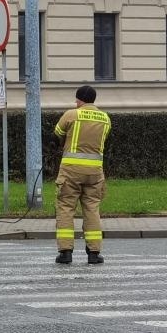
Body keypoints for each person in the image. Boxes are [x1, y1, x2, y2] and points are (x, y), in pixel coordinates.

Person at [54, 84, 112, 265]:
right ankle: (94, 253)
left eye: (76, 99)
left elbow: (57, 134)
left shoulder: (72, 114)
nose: (75, 102)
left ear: (79, 100)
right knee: (92, 210)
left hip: (71, 170)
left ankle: (65, 253)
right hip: (95, 171)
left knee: (65, 208)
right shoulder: (105, 119)